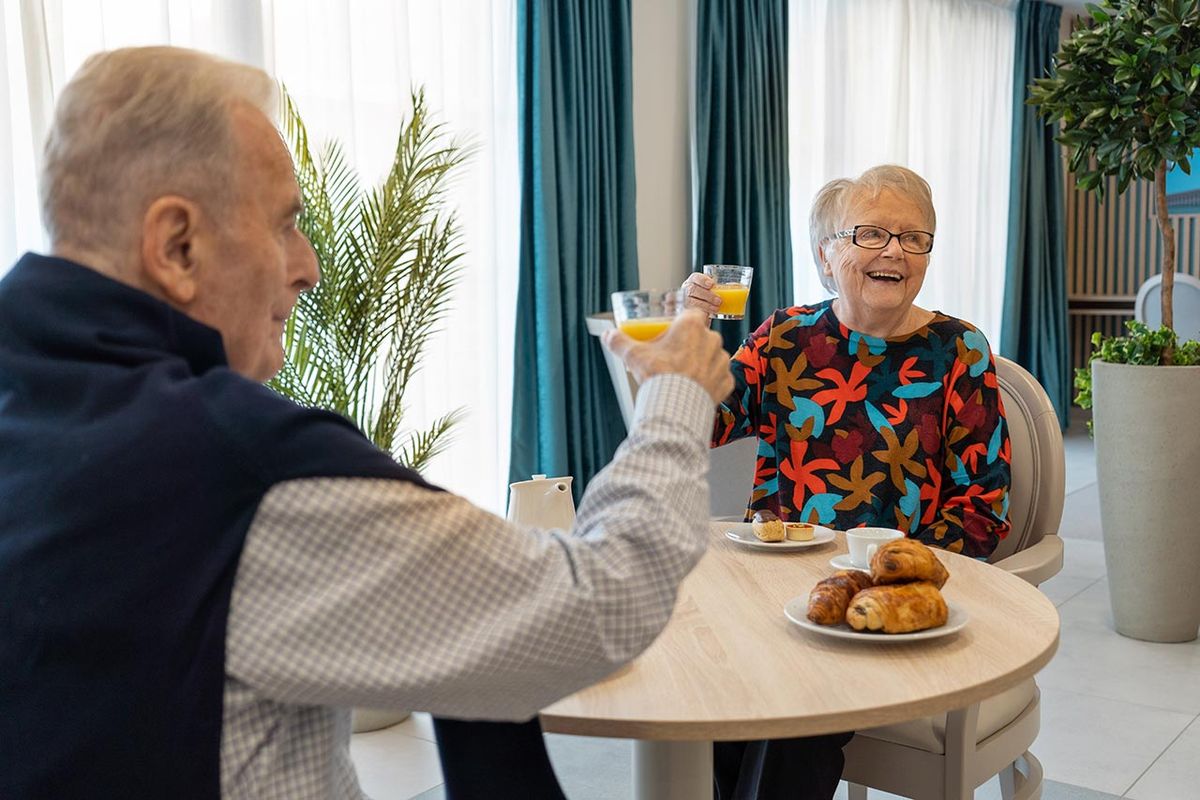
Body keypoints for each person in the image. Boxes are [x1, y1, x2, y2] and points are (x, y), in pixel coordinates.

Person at [0, 47, 733, 800]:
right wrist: (674, 394)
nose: (308, 266)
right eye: (284, 224)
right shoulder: (238, 471)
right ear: (176, 246)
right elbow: (602, 604)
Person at [683, 164, 1011, 800]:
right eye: (871, 234)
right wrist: (689, 332)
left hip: (877, 607)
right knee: (718, 688)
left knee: (798, 710)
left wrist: (887, 581)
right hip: (771, 587)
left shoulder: (960, 350)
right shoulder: (784, 336)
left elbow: (982, 510)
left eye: (914, 238)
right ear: (824, 256)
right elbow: (699, 428)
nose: (895, 251)